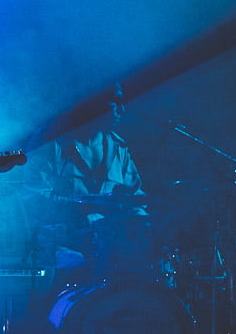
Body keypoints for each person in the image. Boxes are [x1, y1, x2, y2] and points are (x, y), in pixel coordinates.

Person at [32, 83, 151, 281]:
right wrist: (87, 207)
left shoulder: (119, 149)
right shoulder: (51, 145)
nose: (122, 110)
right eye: (115, 102)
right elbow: (34, 200)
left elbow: (137, 200)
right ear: (94, 103)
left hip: (110, 261)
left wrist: (142, 226)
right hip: (59, 259)